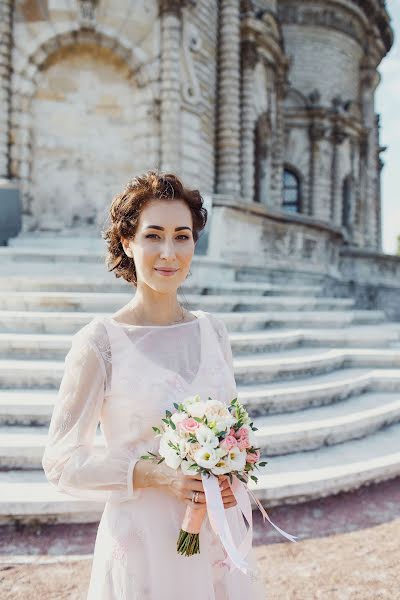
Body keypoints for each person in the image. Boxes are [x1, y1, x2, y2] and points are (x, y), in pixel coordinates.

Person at [42, 171, 265, 599]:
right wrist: (154, 475)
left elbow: (237, 429)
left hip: (216, 535)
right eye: (154, 235)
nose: (169, 252)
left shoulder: (212, 331)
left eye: (182, 236)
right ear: (128, 243)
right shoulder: (100, 342)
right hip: (143, 541)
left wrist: (230, 467)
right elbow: (61, 460)